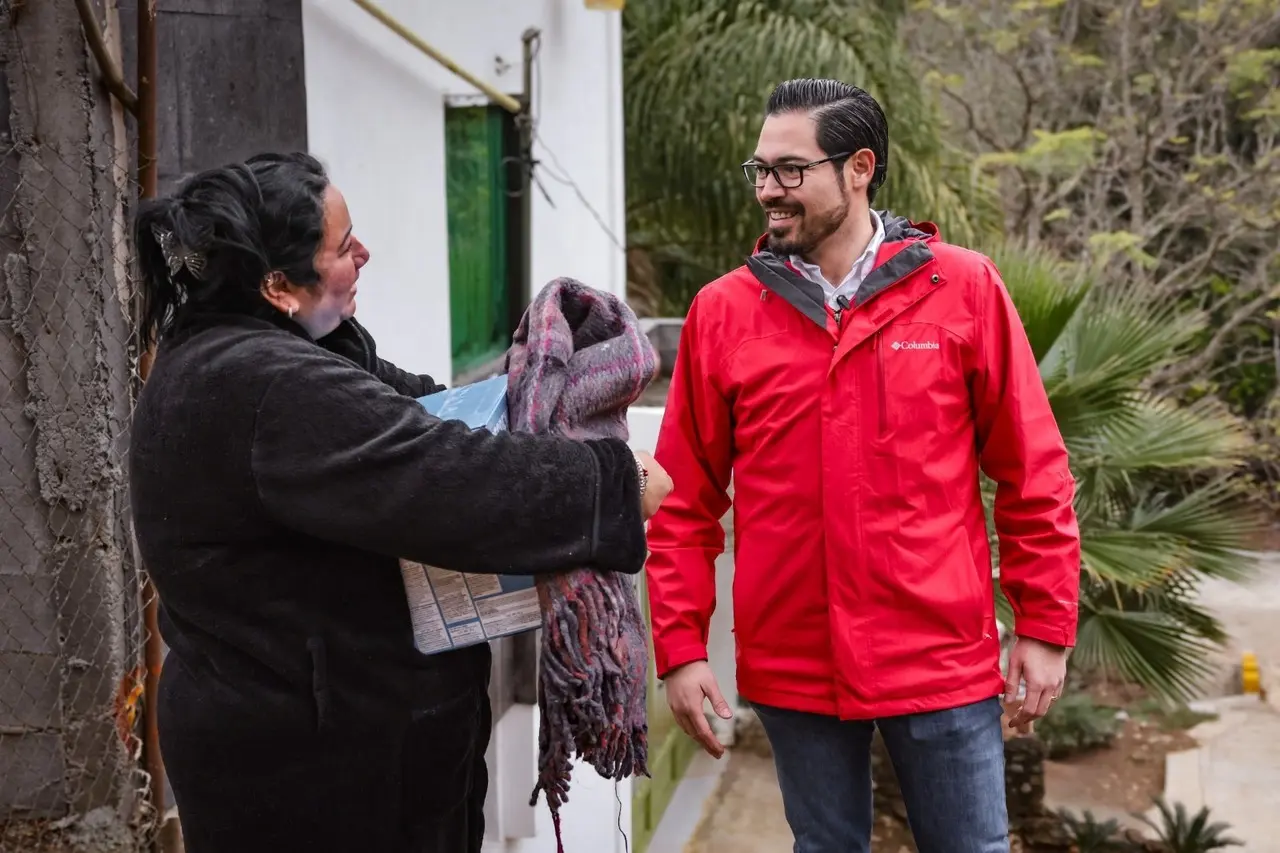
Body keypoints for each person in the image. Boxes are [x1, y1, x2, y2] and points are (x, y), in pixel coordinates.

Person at [127, 151, 673, 853]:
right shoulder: (264, 386)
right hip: (312, 785)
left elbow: (429, 415)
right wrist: (610, 482)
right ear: (276, 285)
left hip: (339, 752)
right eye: (341, 246)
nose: (364, 252)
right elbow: (443, 473)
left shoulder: (274, 353)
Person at [644, 79, 1081, 853]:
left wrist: (1044, 625)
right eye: (760, 170)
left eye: (789, 171)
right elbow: (682, 500)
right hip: (795, 659)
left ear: (859, 168)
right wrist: (679, 645)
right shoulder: (724, 311)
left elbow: (1032, 469)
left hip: (938, 654)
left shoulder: (962, 287)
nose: (768, 192)